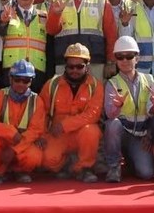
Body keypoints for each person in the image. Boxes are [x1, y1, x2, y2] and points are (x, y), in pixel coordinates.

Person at [101, 36, 154, 183]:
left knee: (146, 173)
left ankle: (131, 160)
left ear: (137, 58)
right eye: (120, 57)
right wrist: (116, 107)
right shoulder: (112, 83)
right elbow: (109, 115)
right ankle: (114, 166)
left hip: (141, 136)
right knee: (112, 124)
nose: (124, 61)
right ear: (116, 60)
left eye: (129, 56)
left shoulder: (149, 80)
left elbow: (152, 112)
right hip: (122, 133)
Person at [38, 43, 104, 182]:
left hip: (81, 134)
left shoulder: (96, 86)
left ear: (87, 66)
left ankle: (85, 168)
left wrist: (65, 125)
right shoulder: (52, 85)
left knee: (91, 131)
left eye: (79, 66)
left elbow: (92, 115)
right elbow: (41, 113)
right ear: (65, 66)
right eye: (71, 66)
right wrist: (43, 135)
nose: (75, 70)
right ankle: (68, 163)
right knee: (47, 160)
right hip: (57, 135)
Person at [0, 60, 47, 185]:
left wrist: (15, 150)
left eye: (25, 80)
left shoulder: (37, 101)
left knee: (35, 155)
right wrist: (11, 133)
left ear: (31, 81)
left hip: (23, 142)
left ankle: (21, 171)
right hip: (3, 142)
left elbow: (35, 131)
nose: (21, 84)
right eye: (17, 80)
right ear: (10, 79)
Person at [46, 0, 109, 80]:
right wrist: (56, 13)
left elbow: (111, 33)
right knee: (64, 98)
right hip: (65, 62)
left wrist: (111, 62)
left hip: (95, 61)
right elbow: (51, 30)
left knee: (95, 96)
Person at [0, 0, 49, 92]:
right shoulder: (7, 14)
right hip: (12, 71)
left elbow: (50, 46)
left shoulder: (45, 16)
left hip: (37, 71)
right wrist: (2, 22)